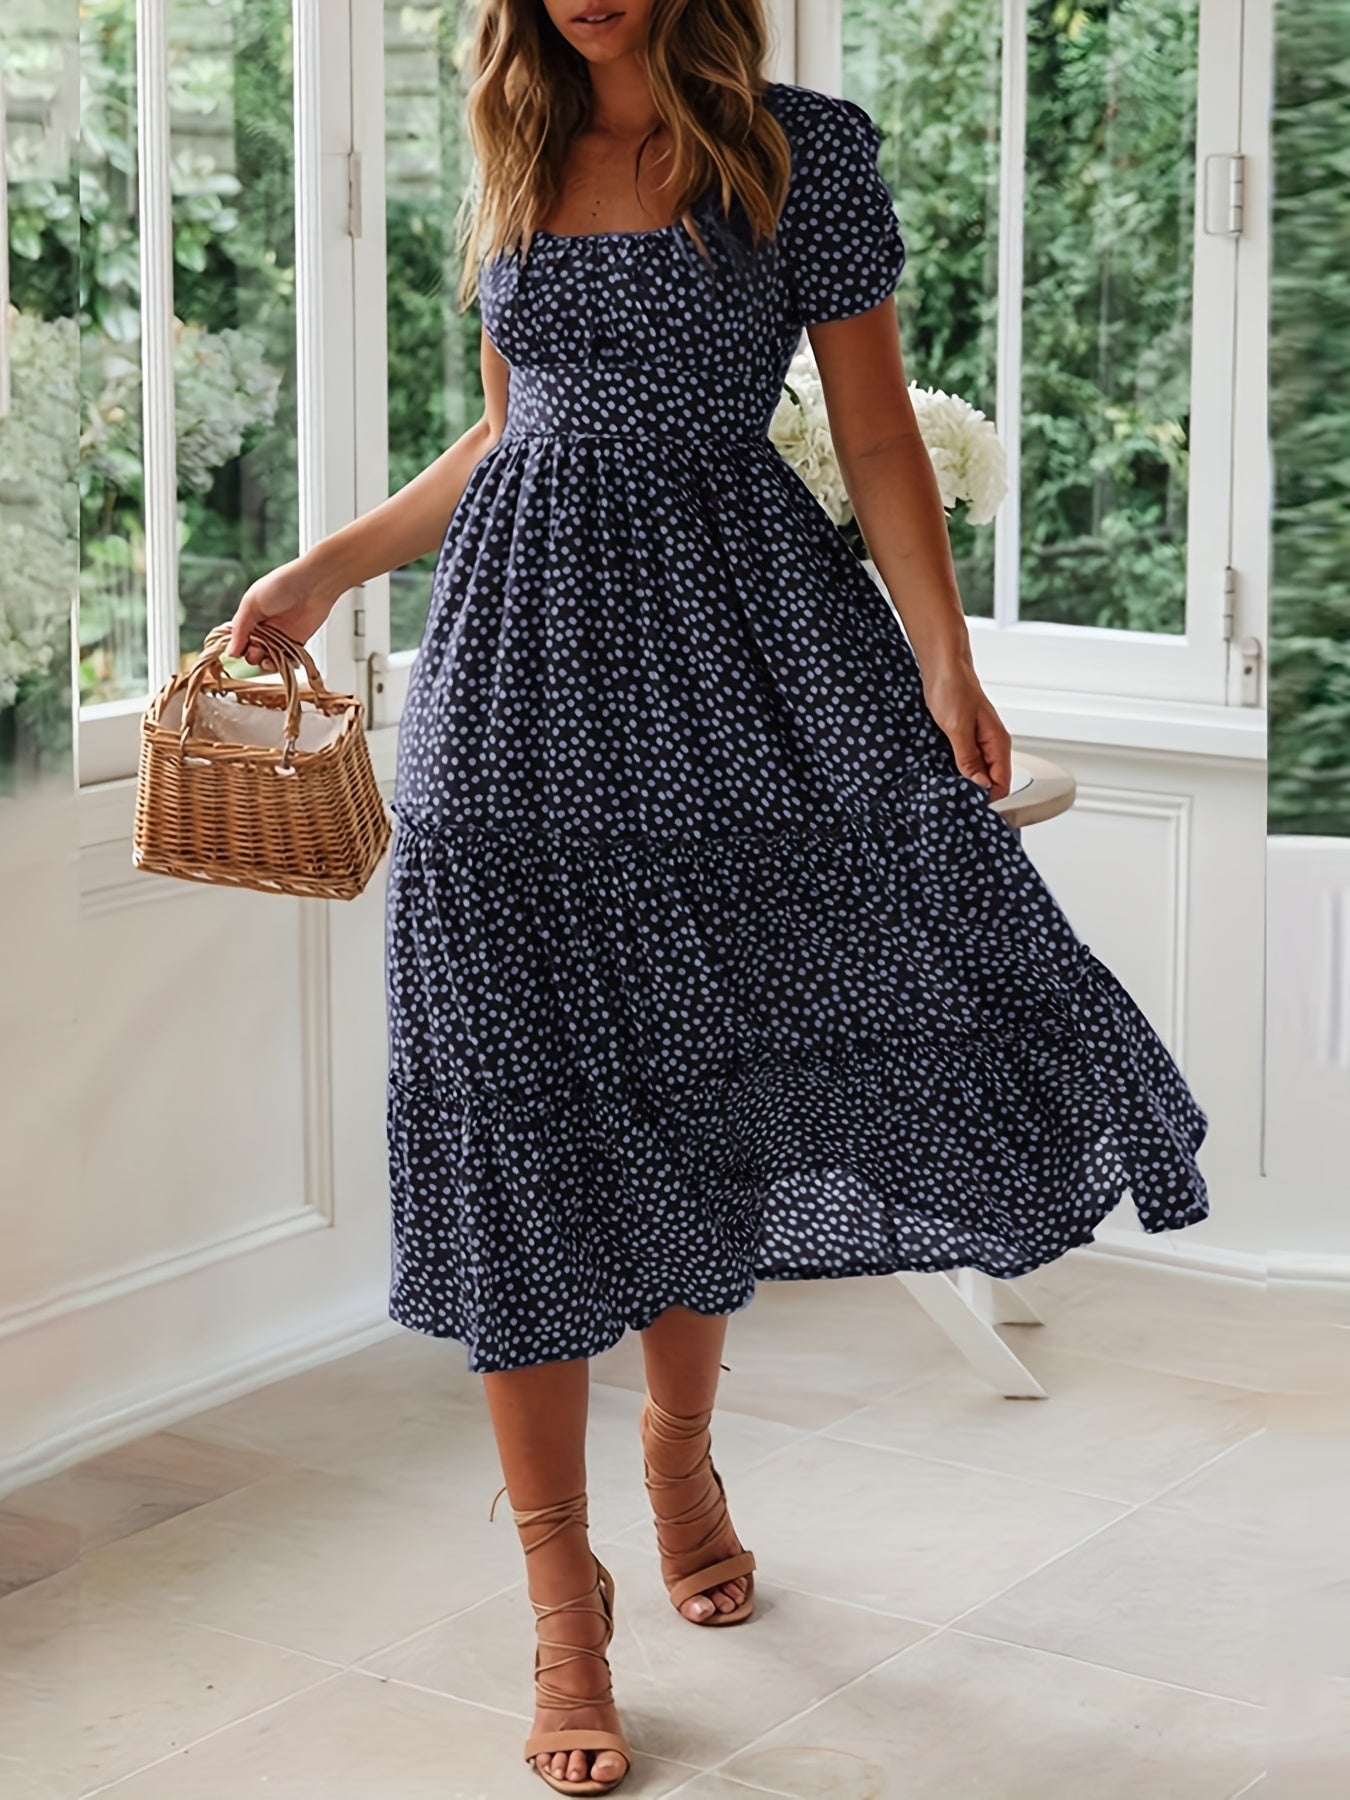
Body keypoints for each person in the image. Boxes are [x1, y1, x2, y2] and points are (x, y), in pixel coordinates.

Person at [226, 1, 1211, 1790]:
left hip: (735, 660)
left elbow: (877, 436)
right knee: (510, 1115)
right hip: (511, 682)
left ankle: (679, 1453)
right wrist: (325, 568)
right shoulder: (515, 137)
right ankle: (562, 1601)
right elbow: (505, 434)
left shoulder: (793, 150)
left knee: (711, 1079)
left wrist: (944, 661)